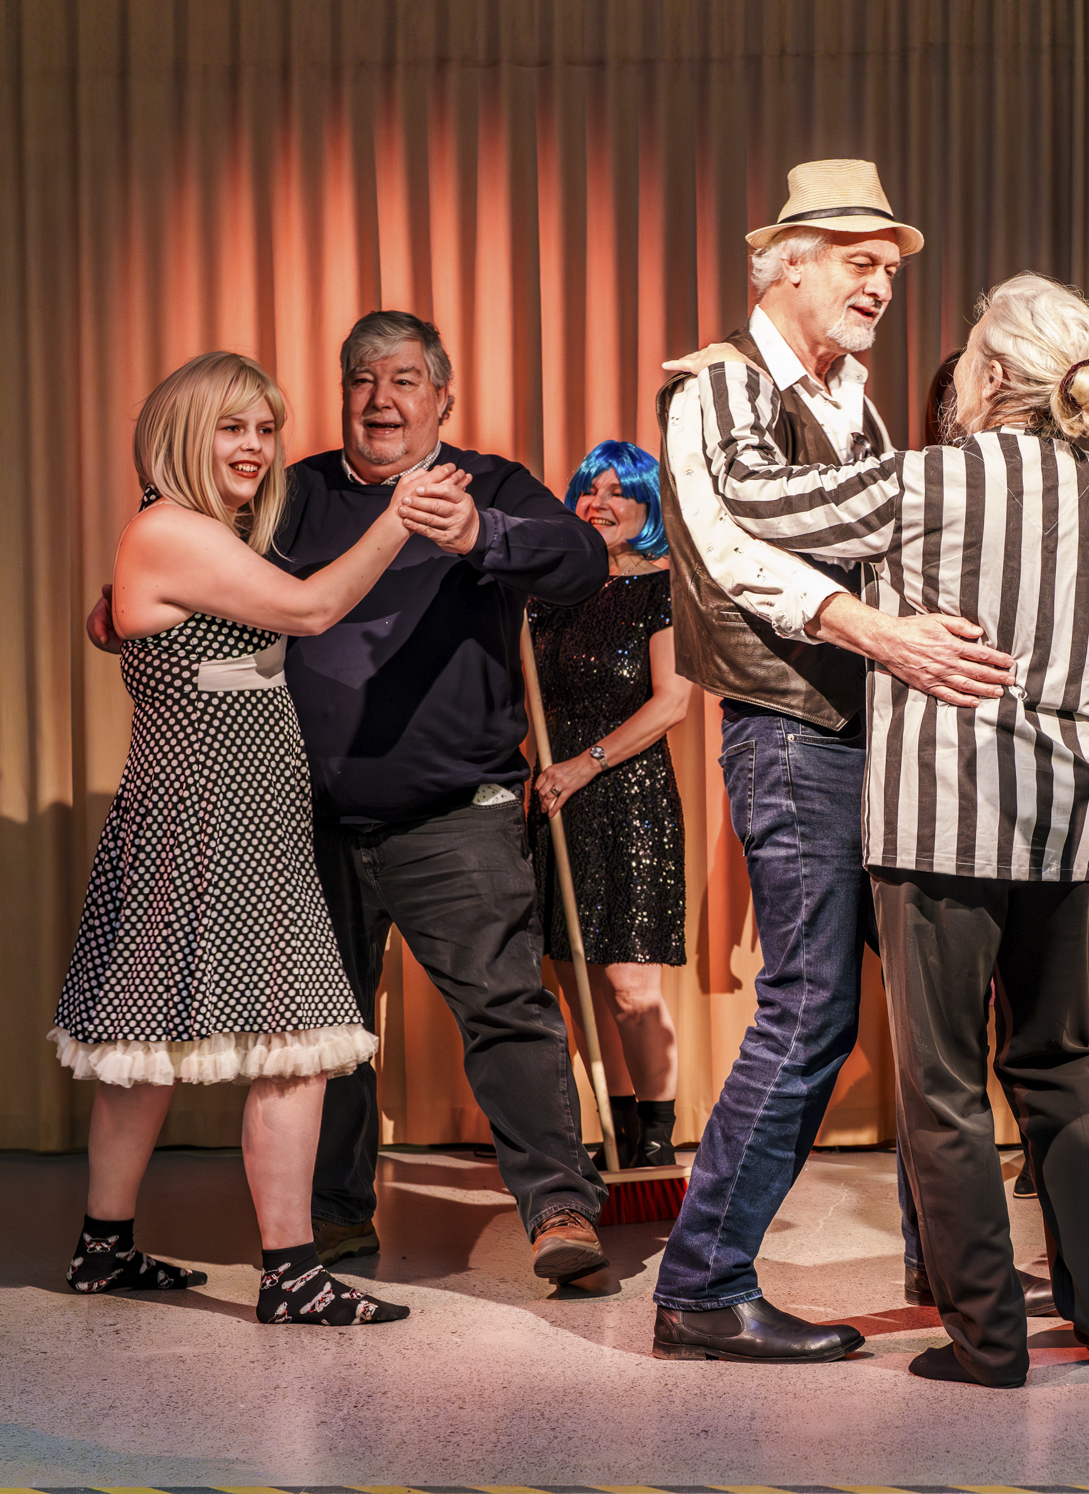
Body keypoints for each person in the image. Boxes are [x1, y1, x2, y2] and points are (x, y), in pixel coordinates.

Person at [693, 271, 1089, 1388]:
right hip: (1072, 820)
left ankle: (987, 1340)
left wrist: (726, 393)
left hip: (943, 816)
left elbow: (757, 504)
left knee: (944, 1083)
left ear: (989, 373)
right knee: (1059, 1062)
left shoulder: (923, 480)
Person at [97, 311, 617, 1281]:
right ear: (342, 396)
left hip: (454, 813)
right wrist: (119, 602)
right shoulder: (289, 492)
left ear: (442, 397)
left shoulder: (487, 484)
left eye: (405, 379)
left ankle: (558, 1209)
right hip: (299, 817)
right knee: (319, 1036)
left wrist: (482, 533)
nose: (382, 400)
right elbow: (194, 566)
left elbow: (582, 566)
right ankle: (331, 1224)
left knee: (504, 1008)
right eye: (362, 380)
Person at [647, 160, 1025, 1366]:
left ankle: (949, 1265)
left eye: (888, 269)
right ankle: (701, 1286)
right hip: (790, 732)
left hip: (877, 736)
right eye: (859, 262)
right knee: (811, 1007)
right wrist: (878, 632)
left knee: (927, 1007)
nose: (880, 285)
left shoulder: (853, 398)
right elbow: (726, 551)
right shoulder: (716, 387)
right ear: (788, 263)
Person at [56, 350, 410, 1325]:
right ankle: (291, 1275)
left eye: (264, 429)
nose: (255, 446)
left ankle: (104, 1249)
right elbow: (311, 607)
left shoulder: (182, 533)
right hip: (222, 816)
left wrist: (112, 618)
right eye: (231, 427)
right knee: (297, 1040)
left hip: (201, 809)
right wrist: (399, 518)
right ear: (182, 433)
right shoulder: (173, 529)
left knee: (144, 1038)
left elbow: (137, 624)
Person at [526, 439, 692, 1167]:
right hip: (557, 805)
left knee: (629, 989)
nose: (599, 504)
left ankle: (656, 1144)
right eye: (588, 490)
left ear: (647, 505)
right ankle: (618, 1141)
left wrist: (583, 765)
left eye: (618, 491)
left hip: (630, 803)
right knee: (579, 989)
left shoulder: (663, 590)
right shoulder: (547, 601)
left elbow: (673, 702)